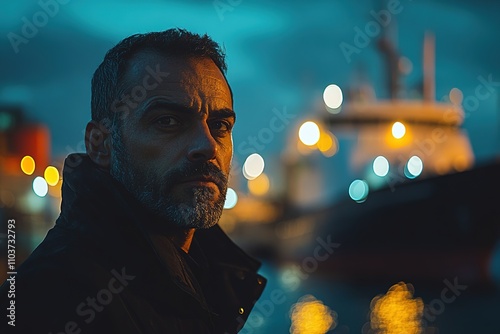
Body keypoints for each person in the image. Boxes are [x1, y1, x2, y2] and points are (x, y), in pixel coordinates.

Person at [0, 28, 266, 333]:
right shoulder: (44, 301)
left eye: (219, 125)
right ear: (101, 143)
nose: (207, 146)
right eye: (168, 121)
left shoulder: (210, 275)